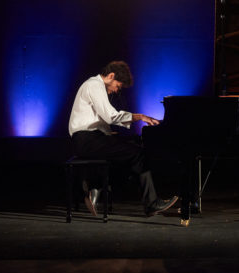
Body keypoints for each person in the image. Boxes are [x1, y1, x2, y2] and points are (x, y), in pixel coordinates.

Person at [68, 60, 178, 217]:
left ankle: (95, 188)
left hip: (88, 139)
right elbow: (111, 116)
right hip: (86, 141)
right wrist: (140, 116)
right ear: (111, 76)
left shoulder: (93, 85)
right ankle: (151, 204)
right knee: (138, 154)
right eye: (117, 86)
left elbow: (98, 120)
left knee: (130, 150)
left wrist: (110, 134)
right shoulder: (94, 85)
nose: (115, 90)